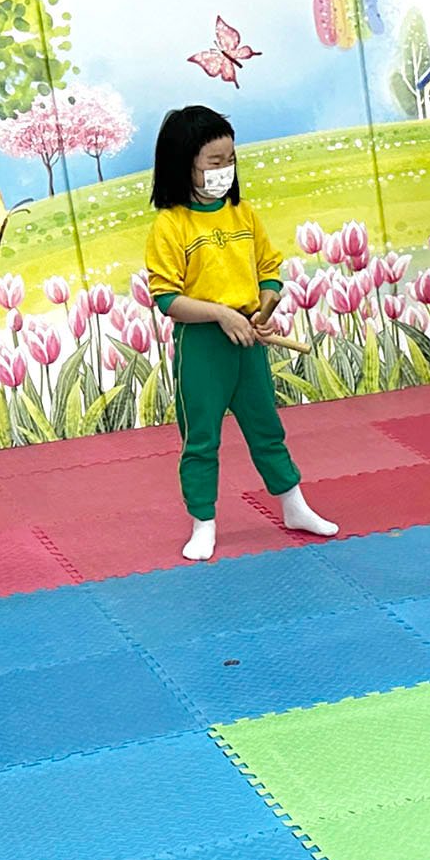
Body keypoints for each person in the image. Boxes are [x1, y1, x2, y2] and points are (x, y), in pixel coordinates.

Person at [144, 106, 337, 562]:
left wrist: (264, 310)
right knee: (201, 439)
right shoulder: (170, 225)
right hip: (202, 346)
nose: (224, 170)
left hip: (249, 340)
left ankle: (294, 506)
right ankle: (203, 523)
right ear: (183, 164)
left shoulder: (243, 214)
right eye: (214, 161)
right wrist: (220, 315)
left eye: (230, 160)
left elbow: (269, 272)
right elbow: (167, 299)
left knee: (266, 427)